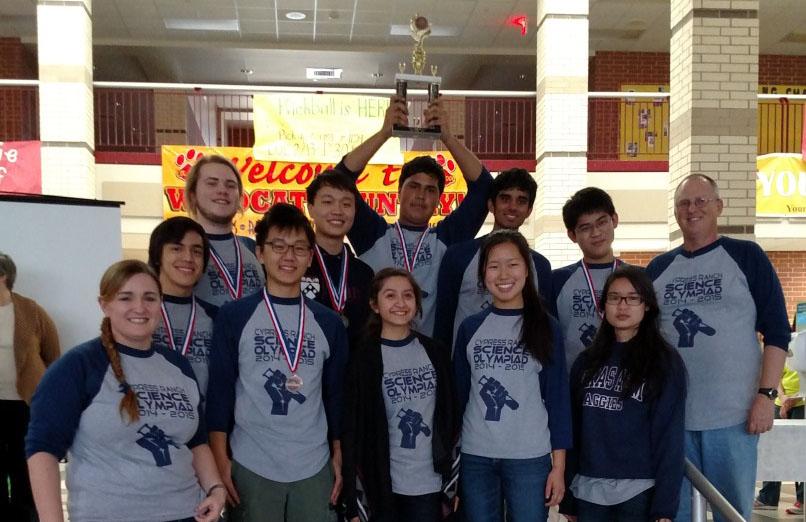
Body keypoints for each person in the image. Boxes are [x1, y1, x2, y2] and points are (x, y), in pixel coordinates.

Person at [25, 260, 226, 522]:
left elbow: (196, 442)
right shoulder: (78, 366)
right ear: (104, 304)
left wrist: (216, 489)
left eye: (150, 298)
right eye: (126, 298)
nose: (140, 308)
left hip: (188, 513)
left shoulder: (177, 366)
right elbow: (42, 449)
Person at [645, 174, 791, 521]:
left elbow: (776, 331)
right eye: (683, 203)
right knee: (673, 512)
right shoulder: (658, 269)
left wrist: (766, 395)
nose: (691, 209)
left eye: (701, 201)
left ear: (718, 207)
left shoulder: (746, 256)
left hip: (733, 418)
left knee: (732, 512)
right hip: (674, 419)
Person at [206, 203, 349, 522]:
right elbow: (220, 392)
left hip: (313, 465)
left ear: (311, 257)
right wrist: (220, 459)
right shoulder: (235, 316)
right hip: (252, 463)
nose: (289, 256)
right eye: (278, 246)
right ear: (259, 252)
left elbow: (335, 394)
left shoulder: (329, 323)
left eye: (299, 248)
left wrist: (338, 454)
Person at [336, 96, 493, 336]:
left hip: (430, 358)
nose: (421, 195)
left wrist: (448, 138)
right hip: (376, 356)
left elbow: (483, 188)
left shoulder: (447, 239)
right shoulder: (373, 234)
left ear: (439, 200)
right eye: (414, 186)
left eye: (431, 190)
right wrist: (383, 134)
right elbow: (341, 179)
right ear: (399, 192)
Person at [453, 230, 571, 522]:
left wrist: (558, 467)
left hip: (529, 458)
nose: (503, 273)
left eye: (513, 264)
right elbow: (458, 395)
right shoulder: (470, 328)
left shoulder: (546, 326)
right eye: (493, 266)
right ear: (483, 275)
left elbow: (558, 399)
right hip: (476, 455)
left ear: (527, 271)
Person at [562, 266, 686, 522]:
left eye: (633, 298)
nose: (622, 306)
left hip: (638, 491)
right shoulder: (585, 362)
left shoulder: (664, 361)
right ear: (603, 305)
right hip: (589, 490)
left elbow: (669, 437)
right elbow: (573, 431)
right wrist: (569, 499)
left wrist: (664, 508)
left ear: (647, 305)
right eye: (614, 297)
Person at [342, 268, 456, 522]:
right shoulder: (363, 359)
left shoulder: (435, 353)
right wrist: (354, 498)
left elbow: (450, 415)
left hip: (428, 482)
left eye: (408, 295)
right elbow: (353, 429)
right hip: (382, 484)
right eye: (390, 296)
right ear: (374, 304)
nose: (400, 303)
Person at [435, 168, 552, 351]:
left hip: (521, 369)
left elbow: (545, 327)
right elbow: (443, 322)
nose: (513, 207)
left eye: (521, 201)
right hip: (468, 369)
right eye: (505, 199)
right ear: (491, 205)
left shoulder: (540, 266)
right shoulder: (458, 256)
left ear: (529, 211)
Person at [0, 252, 60, 520]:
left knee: (24, 468)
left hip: (24, 405)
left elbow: (52, 355)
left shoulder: (30, 310)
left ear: (4, 277)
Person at [551, 187, 623, 372]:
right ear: (572, 235)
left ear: (614, 220)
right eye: (585, 227)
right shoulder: (556, 281)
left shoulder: (640, 278)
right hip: (575, 389)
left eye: (601, 222)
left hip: (626, 386)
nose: (596, 233)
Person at [148, 216, 218, 403]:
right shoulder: (139, 313)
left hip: (200, 425)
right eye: (176, 249)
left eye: (196, 251)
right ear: (157, 256)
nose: (188, 258)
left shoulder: (216, 317)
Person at [303, 169, 374, 345]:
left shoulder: (364, 273)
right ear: (310, 208)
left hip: (353, 369)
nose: (337, 211)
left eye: (346, 204)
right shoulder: (294, 265)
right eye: (328, 202)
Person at [185, 154, 265, 307]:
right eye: (212, 183)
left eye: (230, 185)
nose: (222, 190)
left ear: (240, 197)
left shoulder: (253, 248)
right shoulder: (178, 249)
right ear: (192, 194)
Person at [754, 363, 804, 514]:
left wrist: (796, 397)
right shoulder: (790, 345)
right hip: (780, 401)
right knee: (773, 449)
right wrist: (782, 397)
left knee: (800, 451)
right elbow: (776, 374)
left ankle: (802, 499)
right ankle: (768, 497)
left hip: (802, 402)